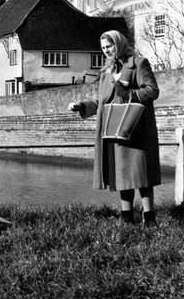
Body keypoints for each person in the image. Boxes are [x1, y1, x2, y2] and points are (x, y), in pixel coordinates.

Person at [69, 30, 161, 226]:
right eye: (103, 48)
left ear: (119, 43)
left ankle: (149, 217)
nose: (106, 51)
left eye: (109, 46)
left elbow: (152, 91)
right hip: (114, 128)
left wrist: (128, 92)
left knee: (141, 172)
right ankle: (127, 217)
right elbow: (102, 100)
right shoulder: (106, 71)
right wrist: (84, 106)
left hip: (136, 127)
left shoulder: (139, 63)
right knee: (122, 173)